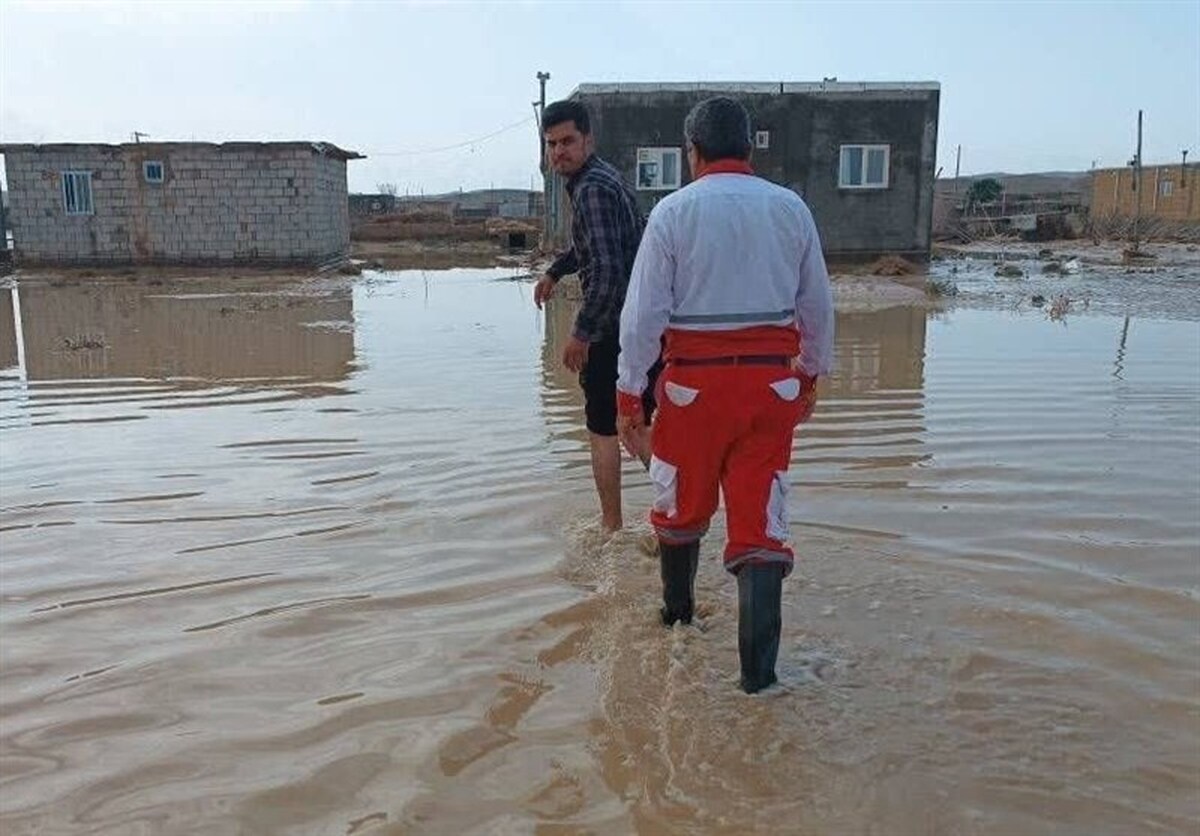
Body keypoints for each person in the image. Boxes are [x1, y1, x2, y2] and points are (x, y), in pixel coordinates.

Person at [615, 97, 834, 694]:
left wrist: (630, 396)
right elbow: (818, 306)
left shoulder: (672, 213)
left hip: (691, 394)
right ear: (749, 149)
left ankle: (677, 625)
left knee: (680, 512)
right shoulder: (791, 209)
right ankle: (759, 687)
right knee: (761, 531)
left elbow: (641, 320)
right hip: (770, 391)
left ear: (693, 153)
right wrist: (809, 376)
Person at [534, 99, 658, 532]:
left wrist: (581, 334)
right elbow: (593, 248)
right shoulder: (602, 180)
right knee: (633, 424)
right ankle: (681, 506)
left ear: (588, 139)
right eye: (552, 144)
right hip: (641, 325)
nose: (559, 152)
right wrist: (555, 271)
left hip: (615, 327)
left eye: (568, 141)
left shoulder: (592, 188)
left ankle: (612, 528)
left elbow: (606, 272)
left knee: (605, 427)